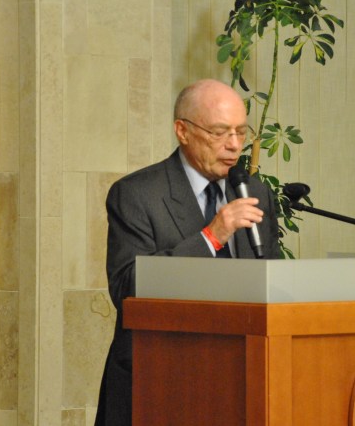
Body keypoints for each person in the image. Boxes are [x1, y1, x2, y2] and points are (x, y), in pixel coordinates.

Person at [94, 78, 281, 426]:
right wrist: (212, 236)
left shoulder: (254, 193)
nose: (234, 145)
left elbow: (272, 284)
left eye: (241, 132)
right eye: (219, 133)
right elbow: (127, 288)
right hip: (159, 381)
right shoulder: (137, 194)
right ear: (183, 131)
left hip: (240, 381)